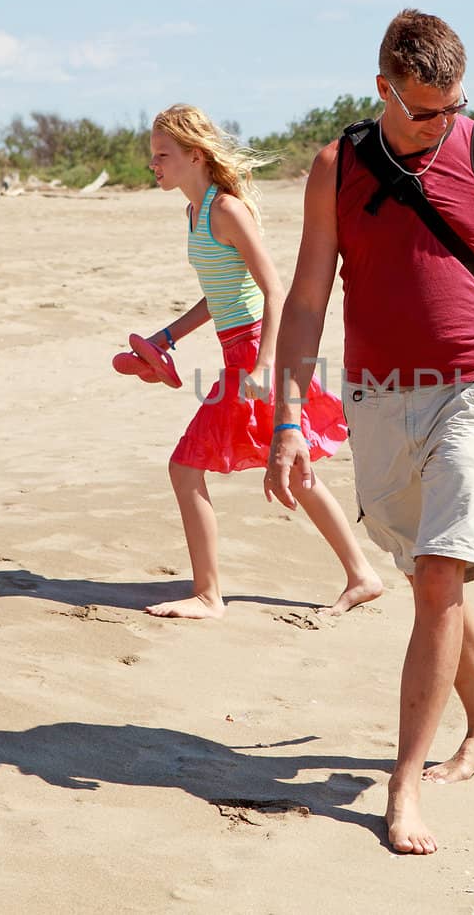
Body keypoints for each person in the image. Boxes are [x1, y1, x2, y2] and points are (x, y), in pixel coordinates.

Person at [266, 10, 474, 855]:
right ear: (383, 90)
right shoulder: (336, 168)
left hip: (473, 388)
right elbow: (308, 300)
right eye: (426, 110)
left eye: (454, 106)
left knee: (440, 574)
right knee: (426, 570)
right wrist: (288, 418)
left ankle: (403, 786)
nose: (443, 124)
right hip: (375, 398)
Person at [134, 103, 385, 620]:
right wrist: (166, 337)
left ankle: (209, 595)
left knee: (185, 468)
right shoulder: (195, 212)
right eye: (151, 157)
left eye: (162, 155)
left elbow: (274, 288)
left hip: (254, 353)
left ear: (194, 155)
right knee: (290, 468)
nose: (153, 165)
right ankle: (362, 575)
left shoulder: (226, 210)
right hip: (238, 350)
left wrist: (264, 364)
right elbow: (220, 295)